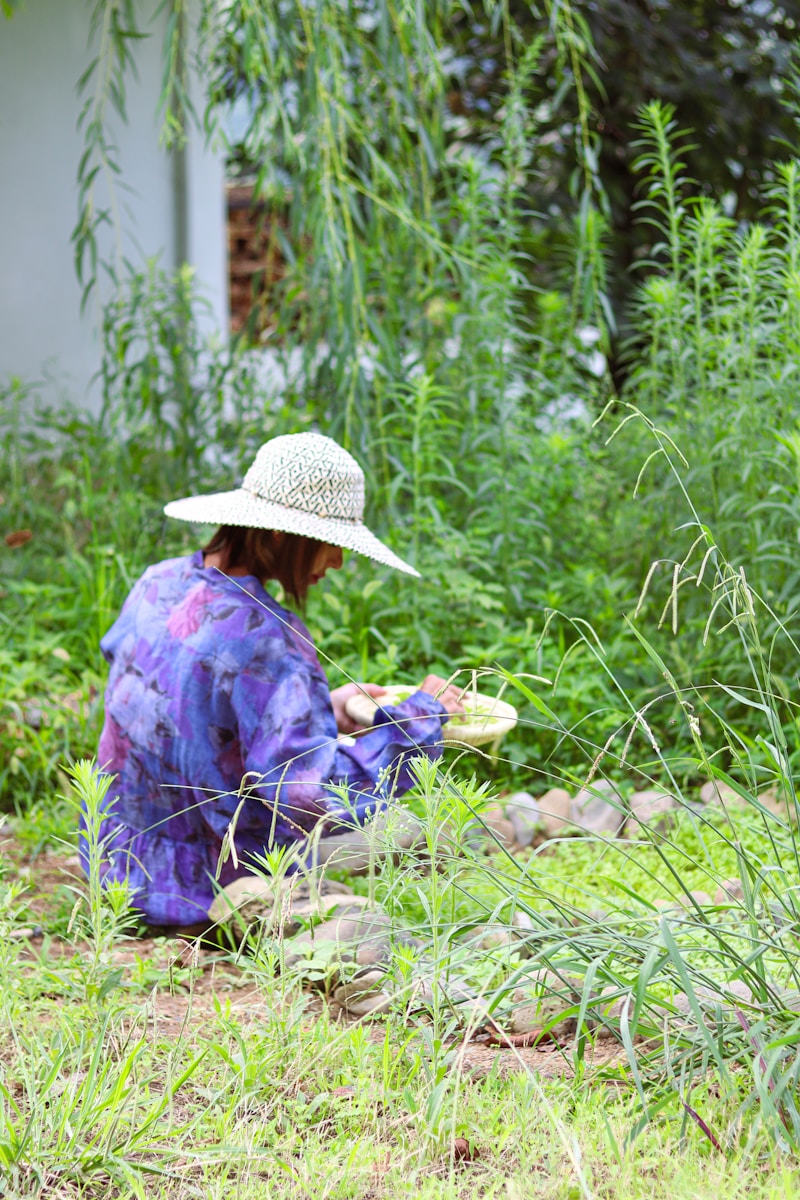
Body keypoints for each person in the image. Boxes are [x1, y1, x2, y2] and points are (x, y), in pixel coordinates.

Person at [86, 432, 462, 929]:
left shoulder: (159, 581)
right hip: (214, 881)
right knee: (427, 835)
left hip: (114, 866)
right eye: (333, 544)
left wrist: (321, 706)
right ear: (284, 535)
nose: (339, 561)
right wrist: (418, 718)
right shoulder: (269, 638)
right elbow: (315, 799)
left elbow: (189, 710)